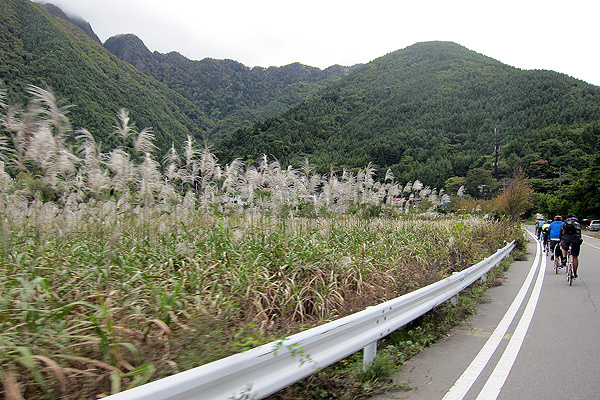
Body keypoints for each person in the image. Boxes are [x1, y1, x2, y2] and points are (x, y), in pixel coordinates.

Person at [560, 213, 583, 278]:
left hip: (566, 239)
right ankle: (575, 273)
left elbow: (561, 232)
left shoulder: (564, 223)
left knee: (564, 248)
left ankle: (564, 258)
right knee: (575, 257)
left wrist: (561, 240)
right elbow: (579, 233)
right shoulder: (577, 223)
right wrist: (579, 240)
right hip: (575, 239)